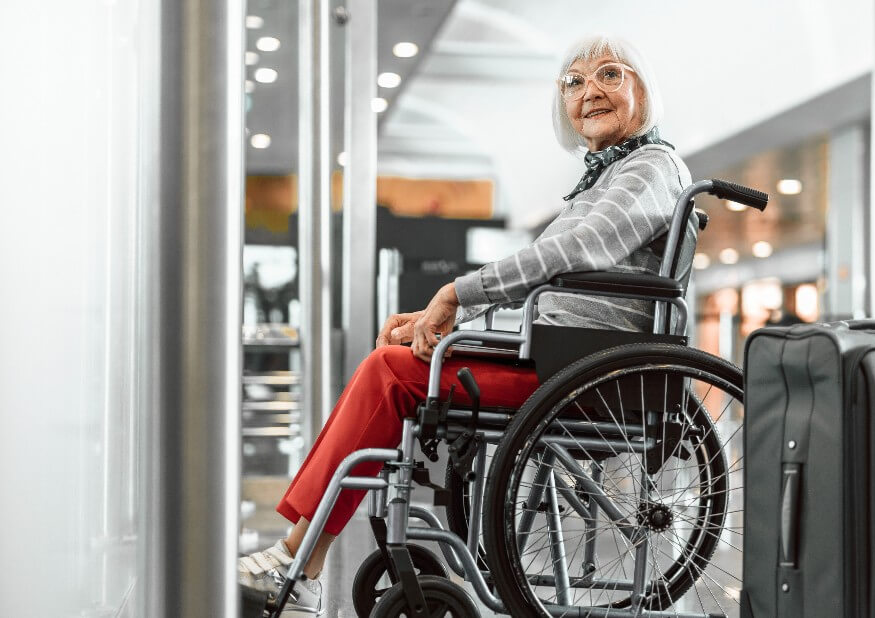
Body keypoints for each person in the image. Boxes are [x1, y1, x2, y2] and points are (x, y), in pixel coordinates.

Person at [238, 34, 696, 615]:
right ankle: (301, 553)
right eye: (573, 82)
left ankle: (300, 560)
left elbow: (575, 252)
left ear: (642, 89)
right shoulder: (605, 178)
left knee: (391, 374)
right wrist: (441, 315)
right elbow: (547, 279)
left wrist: (457, 294)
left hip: (586, 375)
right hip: (562, 359)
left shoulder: (650, 167)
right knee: (399, 364)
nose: (589, 92)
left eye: (610, 74)